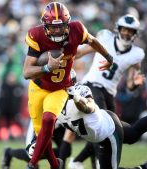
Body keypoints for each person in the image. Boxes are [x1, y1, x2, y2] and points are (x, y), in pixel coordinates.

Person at [22, 2, 113, 169]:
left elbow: (92, 41)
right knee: (40, 134)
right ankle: (56, 165)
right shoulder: (37, 35)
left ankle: (32, 164)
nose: (56, 31)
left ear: (67, 23)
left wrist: (108, 57)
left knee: (49, 119)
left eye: (60, 26)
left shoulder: (77, 29)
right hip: (38, 87)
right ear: (45, 25)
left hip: (60, 88)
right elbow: (26, 72)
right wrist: (47, 67)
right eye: (53, 27)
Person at [66, 14, 146, 168]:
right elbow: (80, 53)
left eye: (130, 31)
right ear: (118, 29)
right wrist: (63, 57)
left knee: (112, 131)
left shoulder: (137, 54)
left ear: (135, 33)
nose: (127, 33)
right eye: (124, 29)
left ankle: (79, 161)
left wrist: (135, 84)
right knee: (102, 127)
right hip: (92, 86)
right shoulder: (105, 38)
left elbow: (130, 85)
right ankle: (85, 162)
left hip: (109, 93)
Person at [57, 83, 147, 169]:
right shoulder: (54, 105)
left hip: (107, 132)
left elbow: (88, 108)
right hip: (106, 122)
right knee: (134, 134)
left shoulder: (78, 92)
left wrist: (76, 98)